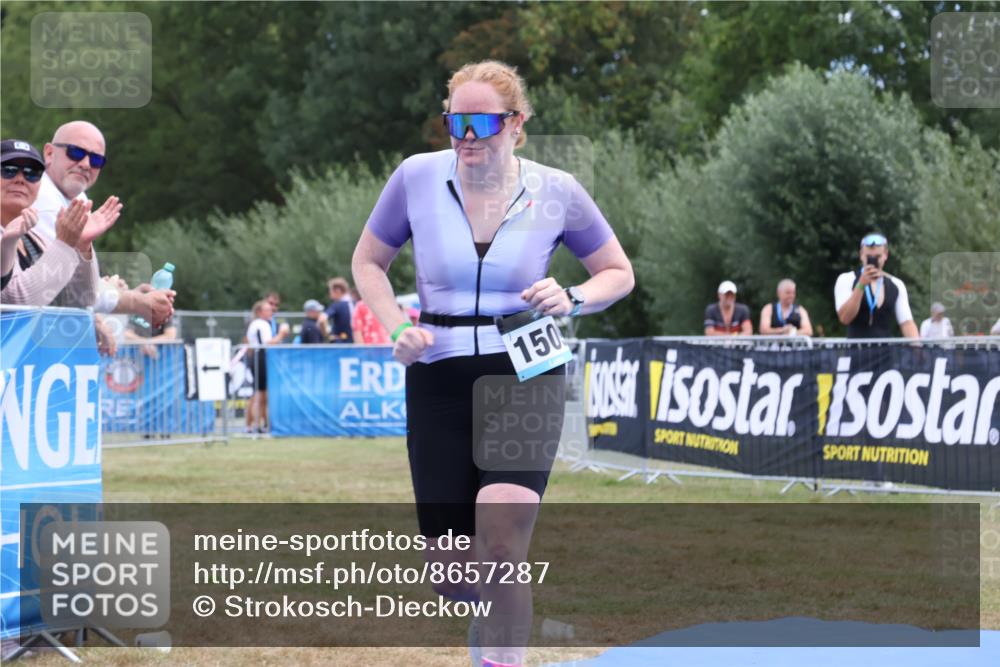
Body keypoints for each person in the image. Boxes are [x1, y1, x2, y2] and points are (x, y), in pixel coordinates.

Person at [352, 60, 633, 667]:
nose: (467, 136)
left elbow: (619, 272)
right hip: (439, 374)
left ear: (517, 124)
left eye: (481, 121)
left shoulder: (556, 190)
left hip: (525, 370)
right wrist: (397, 326)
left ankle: (501, 653)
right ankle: (502, 613)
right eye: (455, 121)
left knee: (502, 541)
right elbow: (368, 262)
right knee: (450, 570)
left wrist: (574, 296)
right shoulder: (415, 178)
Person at [834, 233, 918, 339]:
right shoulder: (847, 279)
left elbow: (906, 323)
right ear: (861, 255)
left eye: (878, 257)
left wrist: (919, 351)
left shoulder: (896, 284)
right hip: (856, 352)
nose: (873, 261)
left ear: (885, 255)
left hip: (886, 352)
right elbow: (845, 318)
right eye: (869, 257)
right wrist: (861, 285)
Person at [244, 299, 287, 433]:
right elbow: (266, 344)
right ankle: (256, 426)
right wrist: (281, 334)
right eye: (267, 310)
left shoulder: (261, 323)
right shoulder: (261, 324)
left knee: (262, 395)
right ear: (259, 312)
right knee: (259, 394)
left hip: (260, 358)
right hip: (260, 358)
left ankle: (260, 425)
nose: (271, 312)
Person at [325, 277, 354, 343]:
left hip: (341, 346)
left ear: (338, 291)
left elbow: (322, 319)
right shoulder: (355, 303)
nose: (329, 294)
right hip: (357, 345)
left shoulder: (337, 305)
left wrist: (327, 336)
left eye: (330, 291)